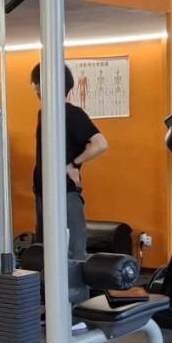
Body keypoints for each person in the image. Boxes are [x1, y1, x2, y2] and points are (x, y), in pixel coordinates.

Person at [31, 64, 108, 260]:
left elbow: (100, 144)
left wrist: (73, 164)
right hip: (43, 192)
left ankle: (75, 282)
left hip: (65, 193)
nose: (35, 89)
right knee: (47, 252)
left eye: (36, 84)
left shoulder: (72, 113)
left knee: (73, 252)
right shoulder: (44, 113)